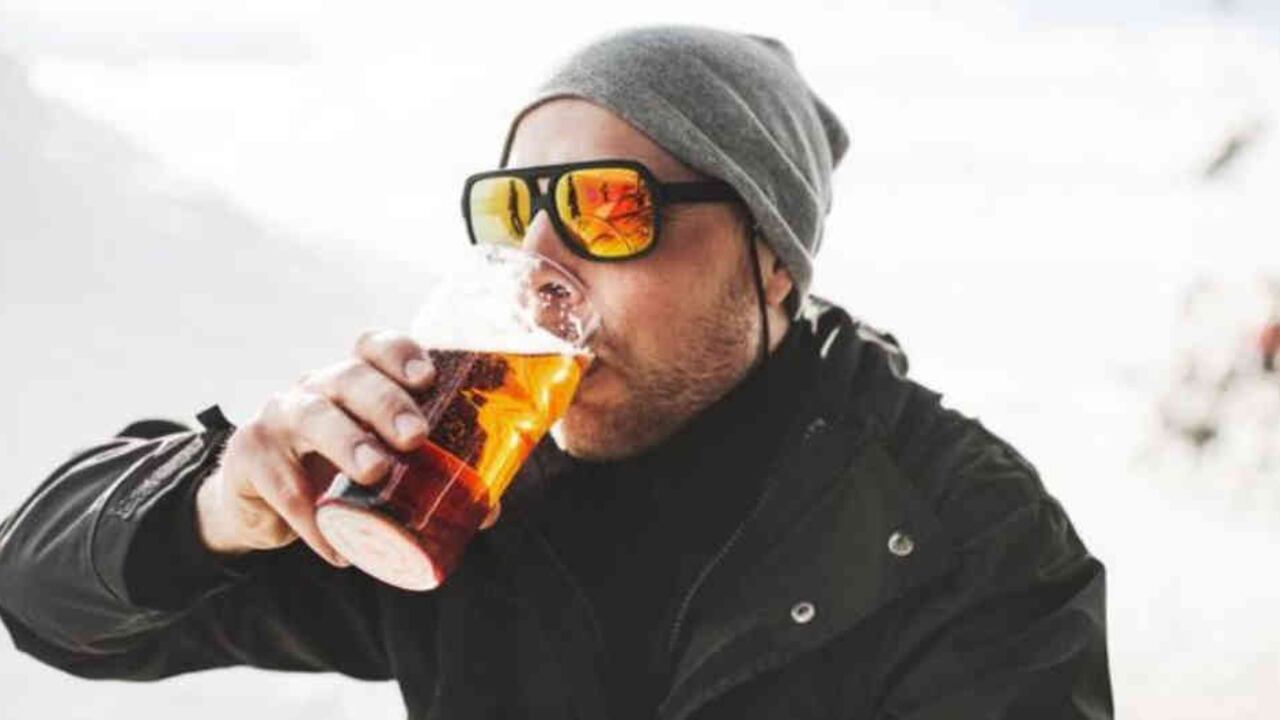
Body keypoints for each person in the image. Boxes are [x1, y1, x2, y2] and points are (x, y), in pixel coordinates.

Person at [0, 25, 1113, 720]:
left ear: (771, 263)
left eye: (606, 209)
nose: (539, 269)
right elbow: (41, 605)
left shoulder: (956, 534)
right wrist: (215, 505)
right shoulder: (460, 472)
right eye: (511, 213)